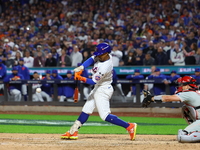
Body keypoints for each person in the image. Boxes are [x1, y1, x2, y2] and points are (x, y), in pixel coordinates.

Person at [60, 43, 137, 140]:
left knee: (104, 116)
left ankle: (129, 126)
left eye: (100, 53)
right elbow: (91, 59)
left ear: (106, 53)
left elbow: (92, 81)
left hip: (103, 89)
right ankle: (73, 131)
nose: (98, 55)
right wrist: (82, 67)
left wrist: (81, 78)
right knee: (86, 109)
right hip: (98, 87)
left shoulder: (105, 66)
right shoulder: (101, 56)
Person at [142, 76, 200, 143]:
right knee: (185, 109)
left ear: (188, 86)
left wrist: (151, 98)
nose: (180, 86)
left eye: (182, 84)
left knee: (181, 136)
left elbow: (167, 98)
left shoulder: (188, 93)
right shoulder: (195, 92)